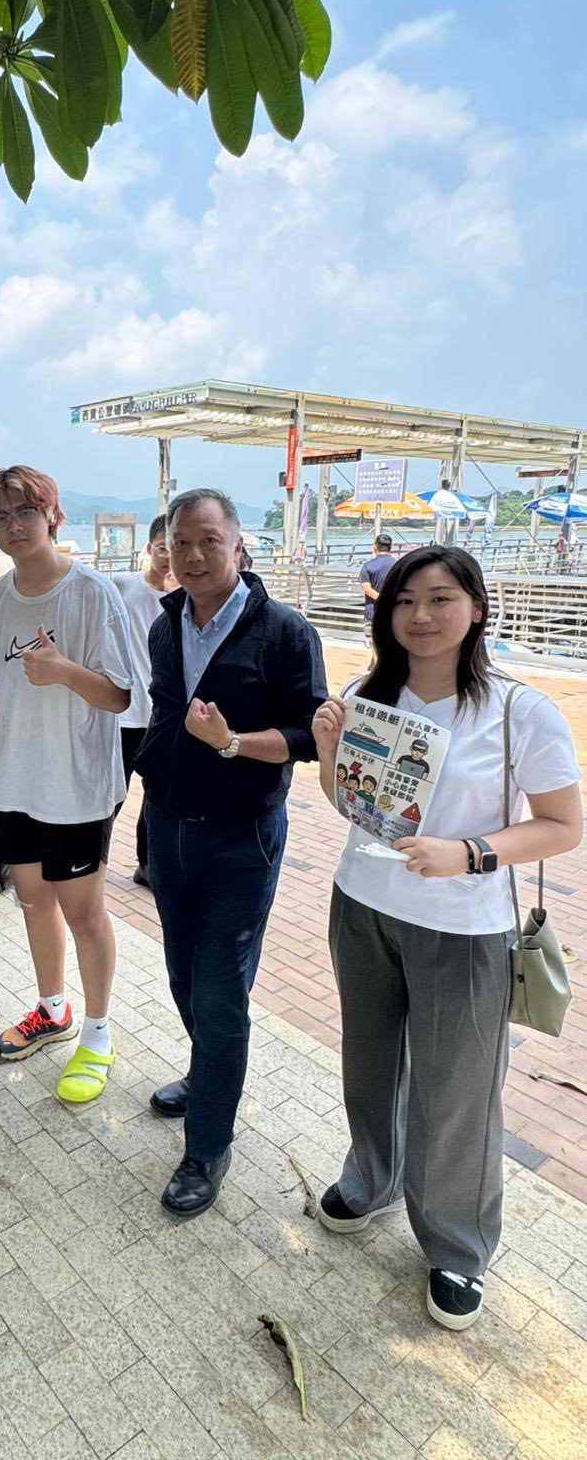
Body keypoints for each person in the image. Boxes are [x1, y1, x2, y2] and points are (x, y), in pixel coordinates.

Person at [311, 546, 582, 1331]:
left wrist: (470, 853)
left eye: (440, 598)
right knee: (369, 1064)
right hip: (362, 904)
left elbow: (562, 826)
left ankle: (457, 1245)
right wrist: (329, 751)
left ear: (477, 608)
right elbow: (353, 804)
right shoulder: (367, 694)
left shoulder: (520, 711)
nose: (420, 616)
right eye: (404, 601)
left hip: (464, 928)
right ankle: (372, 1179)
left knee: (456, 1092)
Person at [136, 488, 327, 1217]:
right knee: (184, 975)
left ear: (239, 547)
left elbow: (309, 735)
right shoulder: (166, 625)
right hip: (168, 824)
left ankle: (208, 1144)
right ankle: (208, 1072)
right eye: (179, 543)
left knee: (220, 990)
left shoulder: (283, 630)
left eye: (209, 541)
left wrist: (233, 743)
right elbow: (163, 710)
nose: (192, 556)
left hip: (243, 835)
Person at [0, 465, 133, 1105]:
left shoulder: (92, 593)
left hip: (76, 785)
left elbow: (120, 696)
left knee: (83, 911)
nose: (13, 526)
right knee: (33, 900)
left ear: (51, 515)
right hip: (13, 784)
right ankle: (52, 1007)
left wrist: (63, 670)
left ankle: (98, 1031)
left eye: (24, 511)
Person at [114, 513, 171, 888]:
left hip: (162, 720)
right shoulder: (122, 586)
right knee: (112, 794)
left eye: (175, 547)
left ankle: (147, 865)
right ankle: (92, 859)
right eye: (163, 548)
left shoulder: (189, 600)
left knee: (156, 798)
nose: (168, 557)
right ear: (149, 548)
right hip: (123, 716)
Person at [359, 533, 397, 645]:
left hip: (373, 612)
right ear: (390, 547)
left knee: (374, 645)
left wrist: (382, 600)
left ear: (375, 546)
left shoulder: (368, 566)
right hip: (393, 613)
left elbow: (367, 589)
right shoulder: (397, 565)